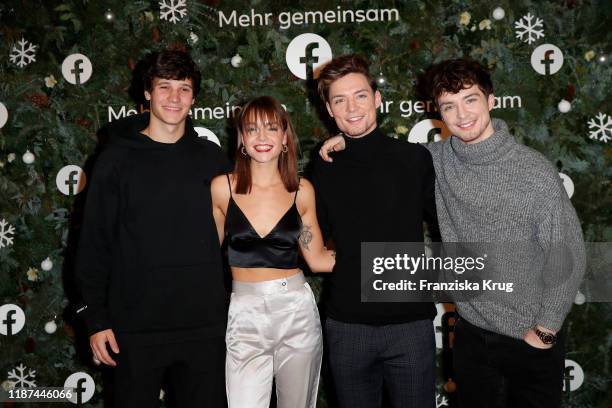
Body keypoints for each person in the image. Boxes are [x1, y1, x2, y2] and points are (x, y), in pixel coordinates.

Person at [321, 58, 586, 408]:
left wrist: (545, 330)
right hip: (471, 338)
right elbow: (381, 156)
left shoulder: (532, 171)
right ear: (439, 114)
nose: (462, 115)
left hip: (529, 339)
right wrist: (345, 141)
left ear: (491, 101)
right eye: (449, 106)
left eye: (470, 100)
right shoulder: (435, 160)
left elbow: (569, 252)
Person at [75, 50, 232, 407]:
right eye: (165, 87)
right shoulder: (115, 160)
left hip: (203, 328)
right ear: (147, 92)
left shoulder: (212, 159)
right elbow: (94, 244)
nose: (174, 98)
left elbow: (253, 215)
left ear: (194, 97)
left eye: (184, 89)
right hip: (134, 329)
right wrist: (95, 320)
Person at [312, 54, 439, 408]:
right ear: (329, 109)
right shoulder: (323, 168)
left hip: (410, 326)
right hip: (347, 327)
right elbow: (311, 244)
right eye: (340, 99)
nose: (352, 107)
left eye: (360, 95)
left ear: (377, 99)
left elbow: (450, 225)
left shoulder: (415, 159)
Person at [210, 96, 335, 408]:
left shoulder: (302, 190)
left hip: (296, 313)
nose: (262, 137)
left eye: (271, 128)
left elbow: (318, 259)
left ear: (284, 139)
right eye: (252, 129)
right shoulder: (221, 188)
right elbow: (204, 259)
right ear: (242, 140)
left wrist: (375, 259)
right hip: (244, 314)